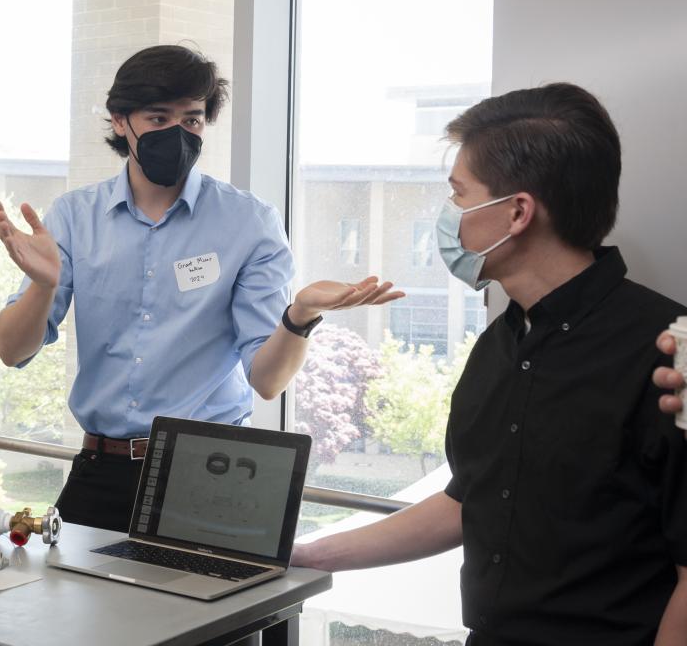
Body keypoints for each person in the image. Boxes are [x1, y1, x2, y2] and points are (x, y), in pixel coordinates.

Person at [291, 83, 687, 645]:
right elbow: (468, 502)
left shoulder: (667, 354)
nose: (448, 216)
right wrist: (305, 556)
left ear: (517, 212)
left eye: (458, 195)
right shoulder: (502, 342)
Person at [0, 45, 402, 532]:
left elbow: (267, 381)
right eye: (158, 117)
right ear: (120, 121)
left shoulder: (248, 223)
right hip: (101, 470)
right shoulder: (74, 217)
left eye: (193, 120)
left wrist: (301, 314)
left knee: (212, 607)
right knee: (75, 606)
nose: (179, 133)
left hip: (210, 473)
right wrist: (43, 285)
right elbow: (12, 351)